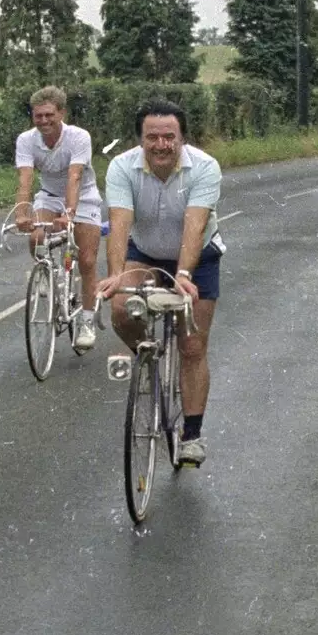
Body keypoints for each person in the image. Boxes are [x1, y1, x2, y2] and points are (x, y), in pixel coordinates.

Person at [96, 99, 223, 468]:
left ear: (182, 138)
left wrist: (183, 275)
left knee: (192, 345)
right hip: (146, 251)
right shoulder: (122, 167)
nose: (161, 145)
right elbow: (119, 224)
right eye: (152, 137)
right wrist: (116, 274)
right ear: (141, 139)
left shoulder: (205, 167)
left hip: (196, 256)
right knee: (121, 309)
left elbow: (195, 225)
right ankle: (149, 360)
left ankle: (192, 435)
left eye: (170, 137)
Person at [13, 85, 102, 350]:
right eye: (38, 116)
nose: (43, 121)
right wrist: (21, 213)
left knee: (86, 260)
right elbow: (26, 179)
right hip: (50, 195)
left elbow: (75, 176)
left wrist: (70, 213)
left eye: (49, 115)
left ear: (61, 113)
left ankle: (86, 321)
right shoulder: (27, 140)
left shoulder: (79, 137)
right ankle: (46, 274)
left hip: (83, 197)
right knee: (36, 237)